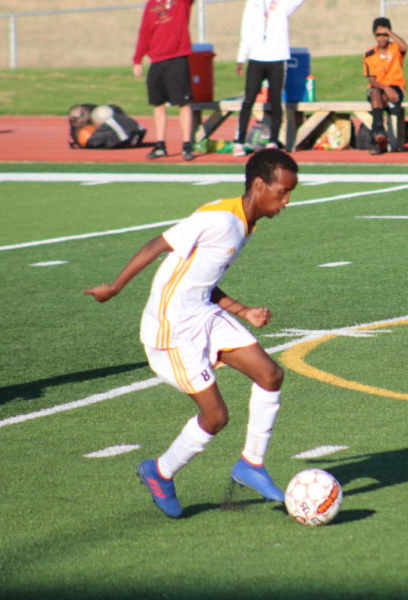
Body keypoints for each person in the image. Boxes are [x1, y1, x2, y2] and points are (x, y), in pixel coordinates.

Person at [83, 149, 299, 518]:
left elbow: (202, 280)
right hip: (173, 328)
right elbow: (157, 244)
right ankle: (160, 472)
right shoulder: (220, 220)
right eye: (282, 191)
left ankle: (252, 464)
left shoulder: (244, 222)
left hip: (202, 312)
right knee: (215, 417)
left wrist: (243, 310)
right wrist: (115, 288)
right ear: (259, 185)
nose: (287, 201)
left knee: (270, 374)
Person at [233, 0, 306, 157]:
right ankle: (239, 141)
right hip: (256, 58)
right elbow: (246, 31)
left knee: (275, 100)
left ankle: (273, 141)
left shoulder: (282, 3)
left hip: (277, 58)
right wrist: (241, 58)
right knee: (248, 100)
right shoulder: (252, 4)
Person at [133, 0, 197, 161]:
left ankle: (187, 146)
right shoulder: (151, 4)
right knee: (158, 104)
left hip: (177, 58)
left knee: (183, 103)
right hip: (156, 60)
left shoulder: (181, 3)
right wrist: (138, 58)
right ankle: (160, 145)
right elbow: (145, 31)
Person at [363, 17, 408, 156]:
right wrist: (385, 88)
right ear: (374, 36)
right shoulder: (369, 54)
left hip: (396, 87)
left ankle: (377, 137)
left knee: (378, 94)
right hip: (379, 89)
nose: (382, 38)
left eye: (384, 34)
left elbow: (405, 47)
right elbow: (372, 80)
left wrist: (390, 32)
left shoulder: (395, 49)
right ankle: (379, 131)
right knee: (375, 91)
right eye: (379, 34)